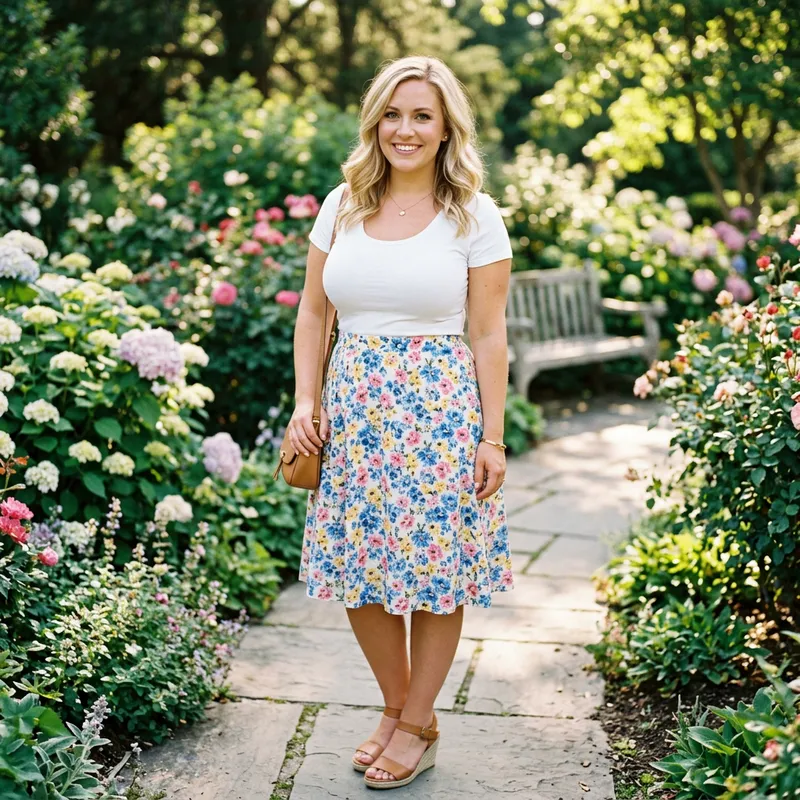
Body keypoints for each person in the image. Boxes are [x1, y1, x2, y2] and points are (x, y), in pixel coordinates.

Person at [288, 54, 514, 790]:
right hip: (350, 414)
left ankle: (413, 721)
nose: (405, 129)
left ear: (447, 125)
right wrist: (305, 403)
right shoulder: (343, 203)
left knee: (435, 573)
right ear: (374, 120)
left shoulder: (474, 214)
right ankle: (401, 708)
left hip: (440, 415)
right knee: (362, 574)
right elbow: (315, 312)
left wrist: (492, 436)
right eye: (392, 113)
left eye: (421, 114)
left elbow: (488, 334)